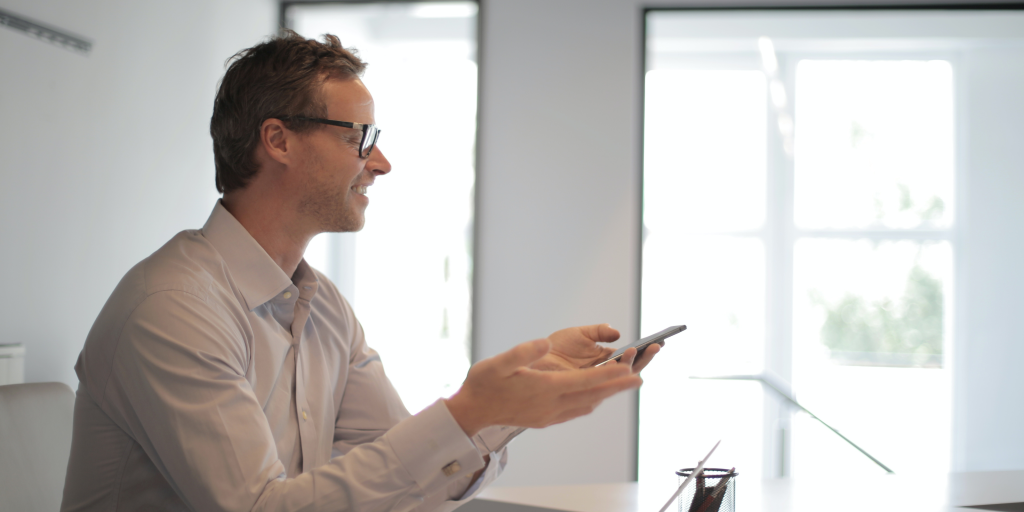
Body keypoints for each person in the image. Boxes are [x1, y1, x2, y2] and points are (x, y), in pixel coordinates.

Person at [60, 30, 660, 512]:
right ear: (279, 141)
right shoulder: (173, 309)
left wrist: (507, 405)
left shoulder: (322, 308)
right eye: (361, 137)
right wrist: (471, 412)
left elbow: (401, 485)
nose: (382, 163)